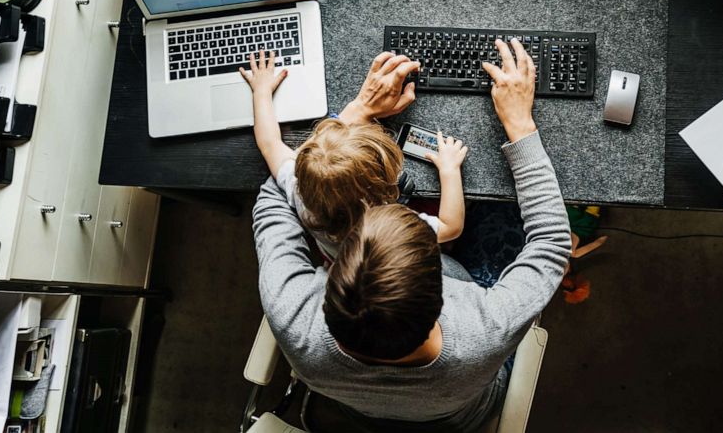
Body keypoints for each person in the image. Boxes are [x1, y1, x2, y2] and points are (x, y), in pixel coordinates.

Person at [252, 39, 572, 432]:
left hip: (358, 411)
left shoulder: (291, 315)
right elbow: (552, 243)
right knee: (501, 216)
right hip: (464, 415)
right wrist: (519, 124)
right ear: (441, 293)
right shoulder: (484, 330)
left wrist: (355, 116)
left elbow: (277, 192)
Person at [240, 51, 469, 260]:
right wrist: (449, 170)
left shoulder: (299, 188)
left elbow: (269, 143)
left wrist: (261, 91)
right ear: (386, 188)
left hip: (338, 256)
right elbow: (451, 227)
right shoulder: (390, 226)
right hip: (383, 256)